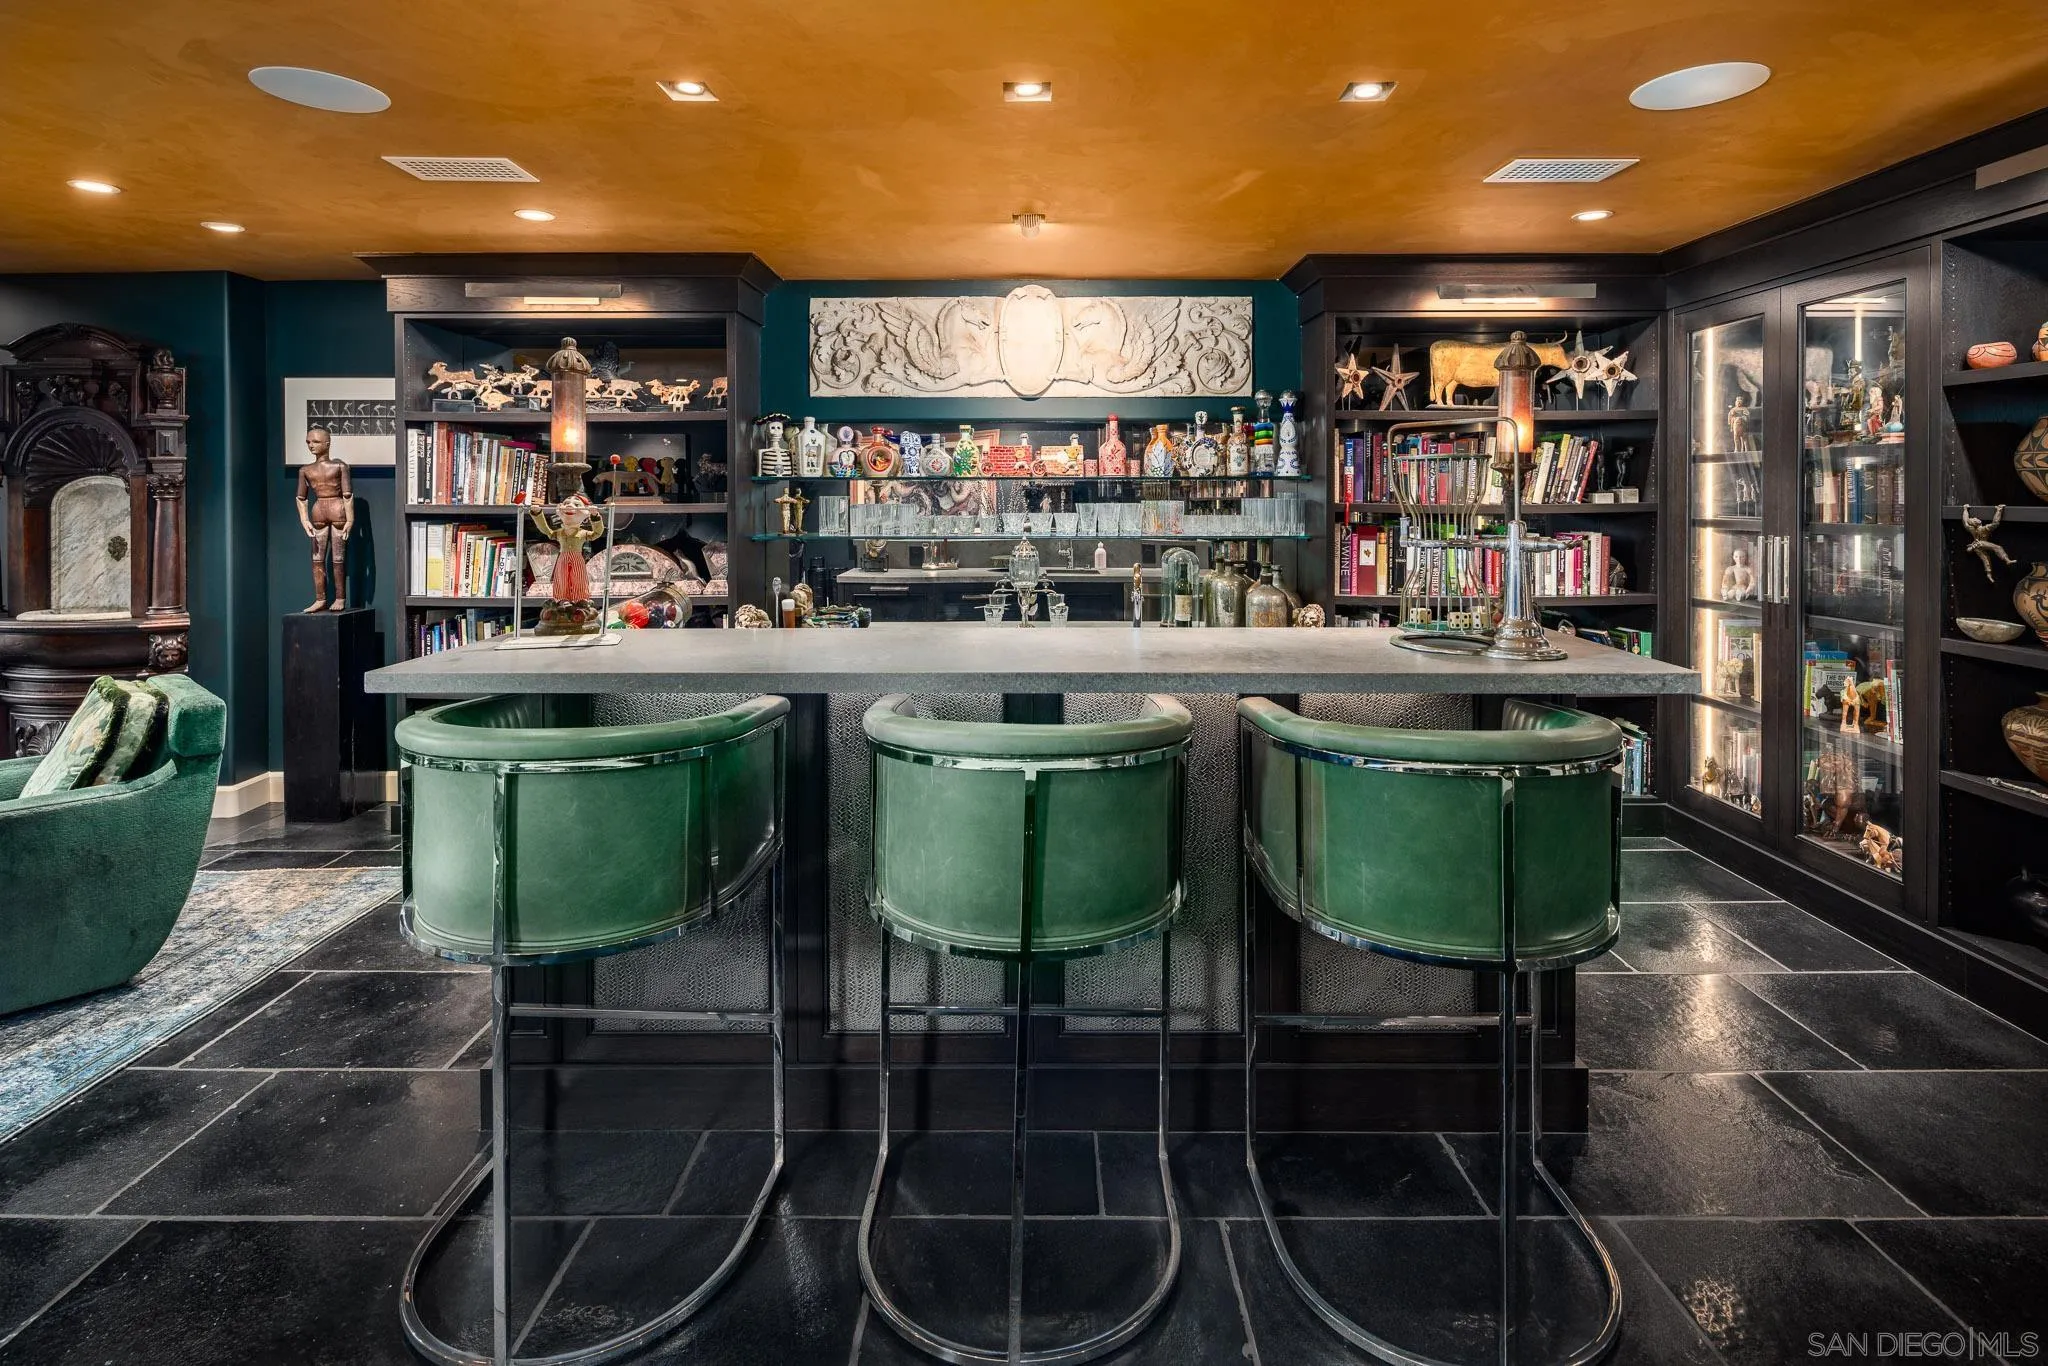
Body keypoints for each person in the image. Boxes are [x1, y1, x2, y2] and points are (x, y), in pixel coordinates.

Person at [295, 426, 353, 611]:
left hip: (336, 510)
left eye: (316, 442)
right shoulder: (306, 470)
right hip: (320, 511)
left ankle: (340, 598)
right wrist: (304, 521)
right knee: (317, 559)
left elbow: (347, 495)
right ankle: (320, 598)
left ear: (327, 444)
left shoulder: (339, 466)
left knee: (338, 558)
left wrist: (350, 520)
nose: (311, 445)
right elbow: (300, 498)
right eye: (308, 442)